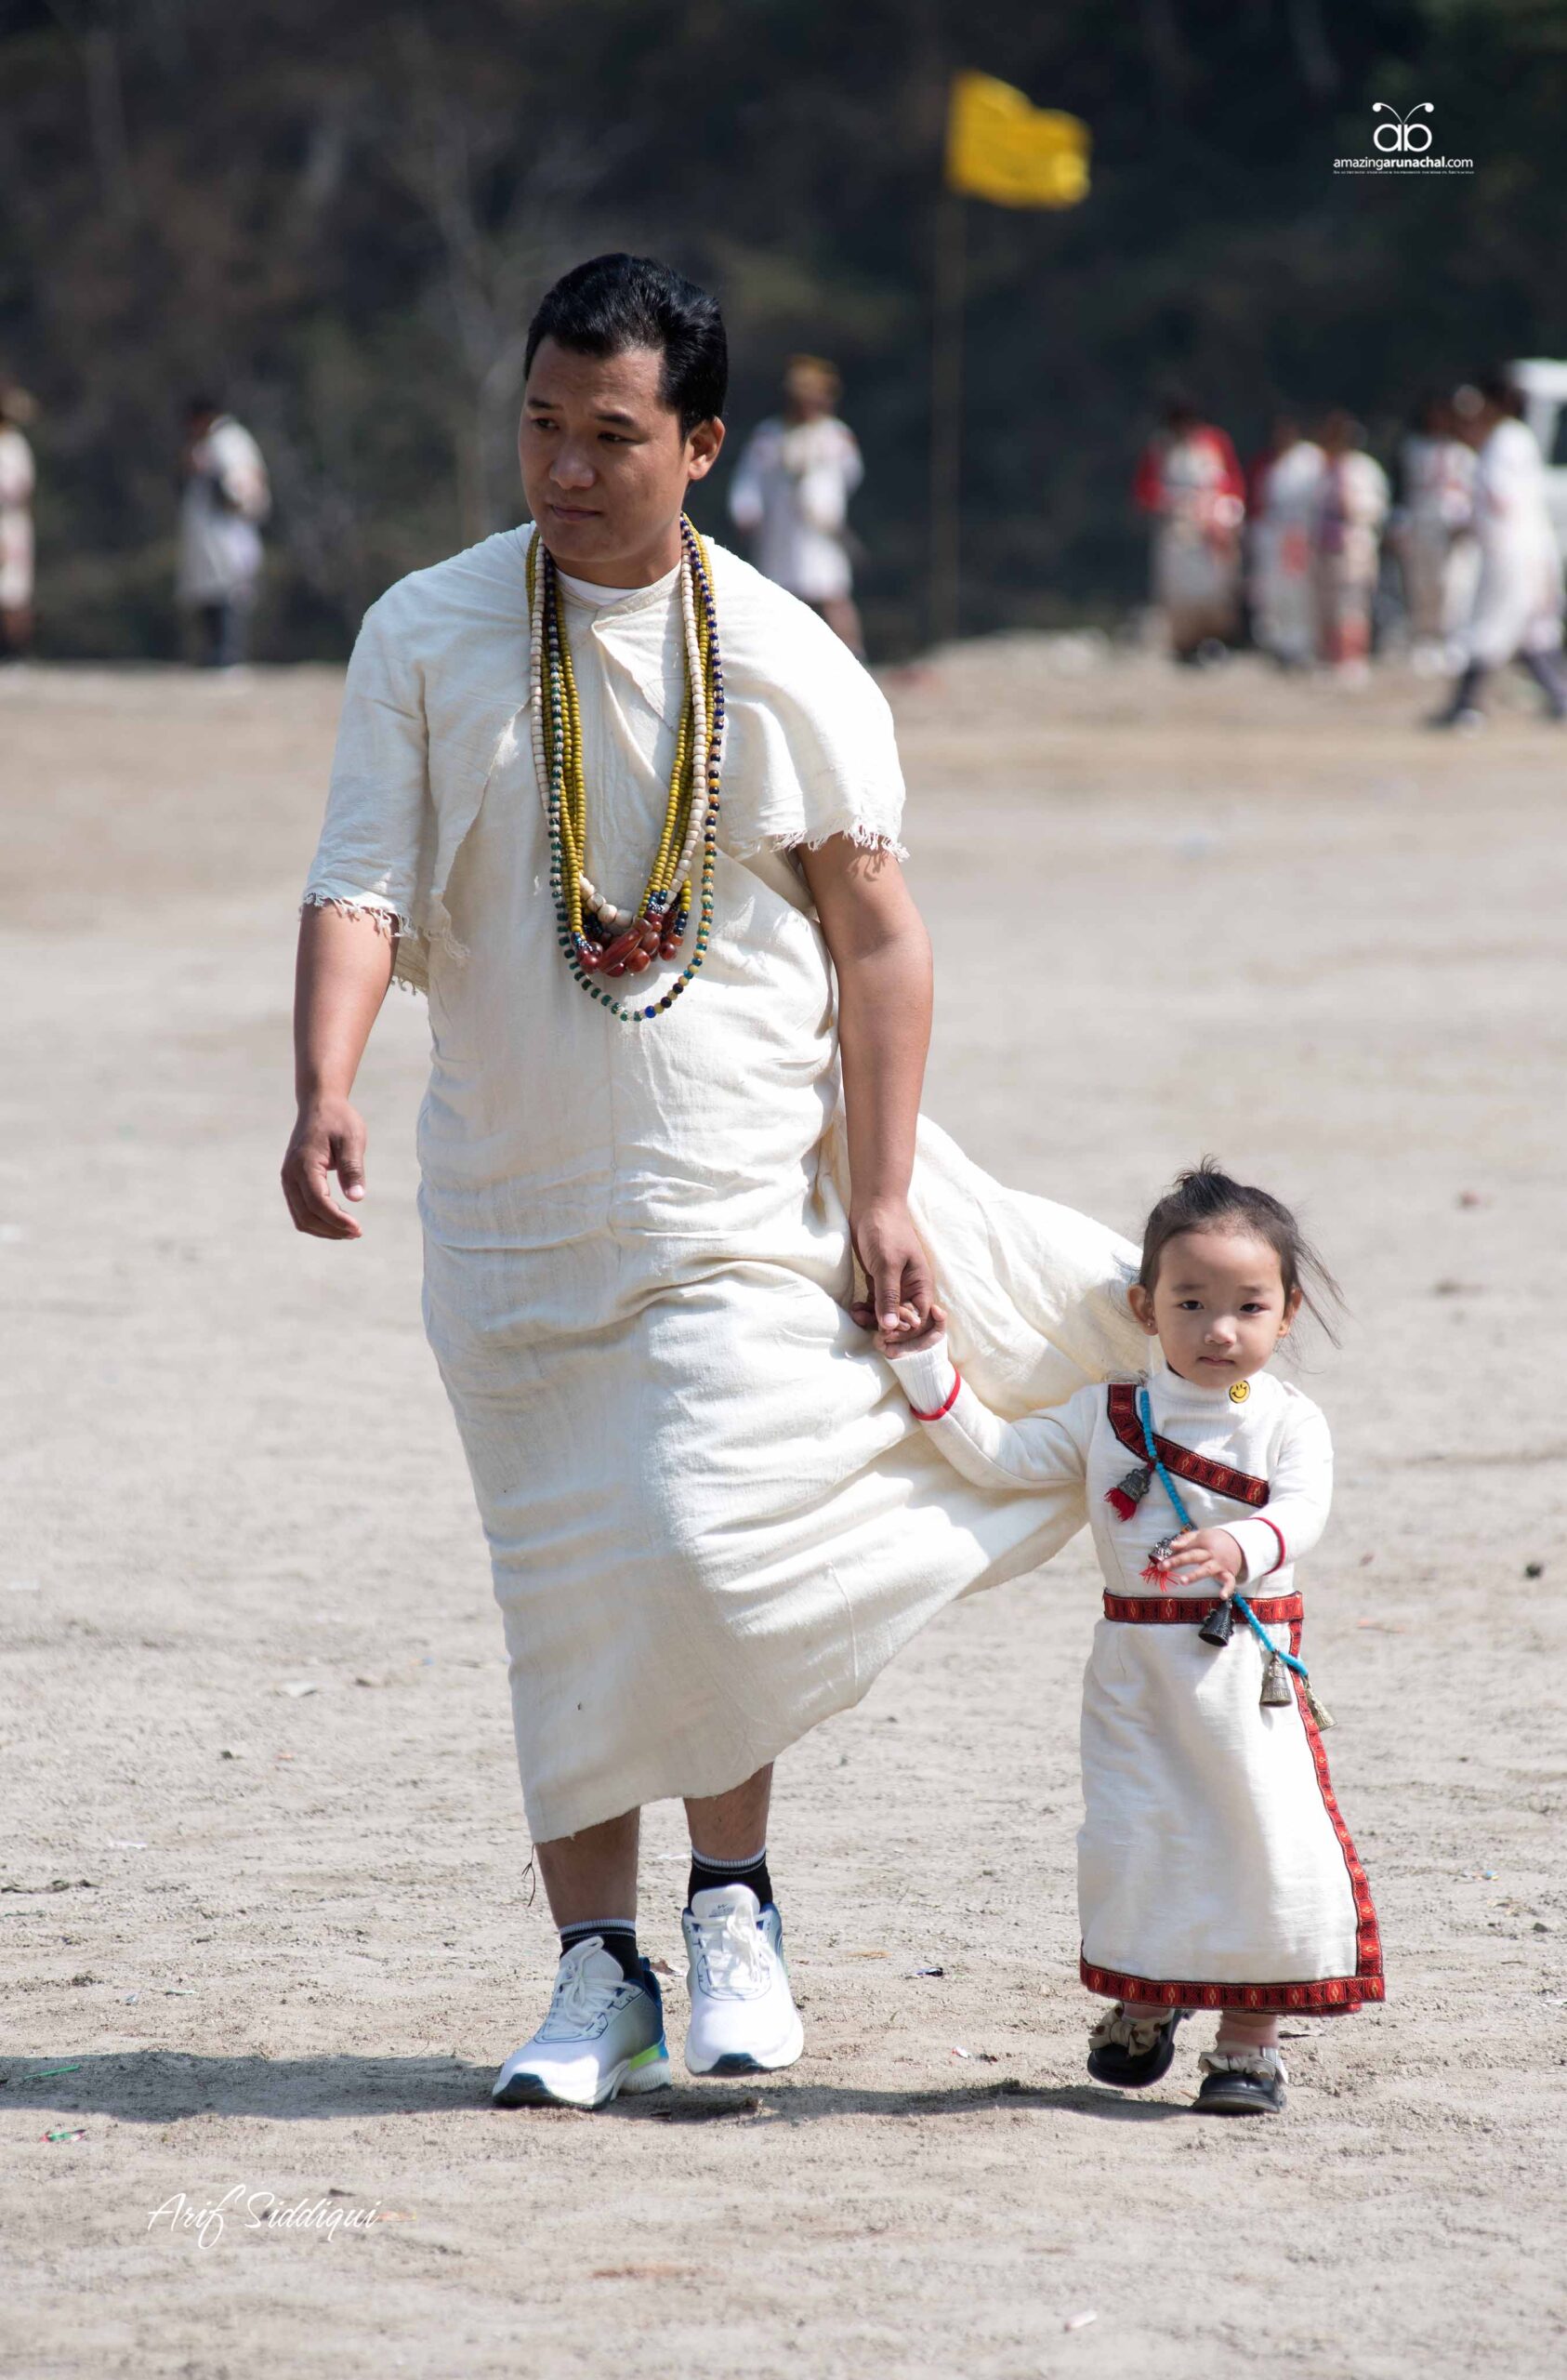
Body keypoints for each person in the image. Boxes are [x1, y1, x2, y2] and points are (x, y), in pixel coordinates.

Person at [285, 253, 1145, 2109]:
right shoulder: (428, 634)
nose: (564, 468)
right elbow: (358, 881)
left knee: (704, 1542)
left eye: (611, 436)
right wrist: (324, 1081)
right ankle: (600, 1971)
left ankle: (734, 1900)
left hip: (733, 1195)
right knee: (568, 1595)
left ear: (702, 447)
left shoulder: (784, 660)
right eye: (540, 425)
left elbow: (884, 944)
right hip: (508, 1213)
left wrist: (893, 1191)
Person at [880, 1162, 1382, 2117]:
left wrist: (1244, 1540)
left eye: (1248, 1304)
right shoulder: (1108, 1414)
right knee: (1136, 1832)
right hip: (1132, 1673)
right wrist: (925, 1363)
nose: (1220, 1329)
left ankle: (1248, 2045)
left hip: (1245, 1670)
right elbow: (999, 1454)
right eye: (1191, 1302)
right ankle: (1144, 2000)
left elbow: (1305, 1509)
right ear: (1144, 1307)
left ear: (1289, 1311)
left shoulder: (1287, 1421)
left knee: (1261, 1839)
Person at [1431, 372, 1567, 729]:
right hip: (1529, 547)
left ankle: (1465, 705)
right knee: (1528, 628)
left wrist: (1467, 526)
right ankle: (1559, 696)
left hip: (1509, 549)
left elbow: (1498, 500)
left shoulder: (1503, 441)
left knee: (1491, 622)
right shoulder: (1517, 439)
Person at [727, 354, 865, 653]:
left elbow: (851, 474)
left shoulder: (836, 435)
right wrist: (747, 510)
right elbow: (750, 478)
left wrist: (827, 503)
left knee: (833, 594)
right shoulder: (770, 435)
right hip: (781, 530)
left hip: (821, 529)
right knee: (779, 597)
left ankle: (855, 659)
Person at [1133, 398, 1245, 665]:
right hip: (1177, 530)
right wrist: (1170, 502)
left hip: (1211, 528)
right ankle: (1184, 644)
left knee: (1217, 586)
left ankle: (1217, 640)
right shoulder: (1161, 448)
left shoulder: (1215, 443)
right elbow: (1144, 490)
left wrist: (1225, 516)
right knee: (1178, 588)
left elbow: (1232, 483)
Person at [177, 396, 270, 668]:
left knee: (229, 594)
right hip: (212, 535)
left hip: (227, 533)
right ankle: (214, 654)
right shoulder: (212, 443)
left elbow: (242, 487)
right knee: (208, 594)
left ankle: (227, 655)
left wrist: (230, 500)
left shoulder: (228, 441)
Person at [1393, 392, 1477, 674]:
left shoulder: (1463, 454)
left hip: (1452, 526)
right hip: (1422, 523)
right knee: (1421, 583)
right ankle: (1424, 640)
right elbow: (1403, 492)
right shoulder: (1413, 448)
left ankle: (1450, 639)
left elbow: (1471, 492)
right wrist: (1400, 524)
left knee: (1453, 584)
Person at [1312, 410, 1389, 684]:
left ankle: (1353, 659)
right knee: (1328, 603)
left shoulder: (1362, 469)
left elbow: (1373, 509)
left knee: (1352, 604)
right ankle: (1332, 657)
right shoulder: (1325, 469)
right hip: (1327, 547)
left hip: (1353, 545)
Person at [1247, 413, 1323, 669]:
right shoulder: (1270, 464)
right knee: (1274, 591)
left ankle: (1302, 644)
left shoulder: (1310, 460)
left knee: (1300, 592)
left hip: (1301, 535)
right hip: (1274, 536)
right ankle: (1278, 644)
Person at [0, 382, 36, 660]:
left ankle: (17, 654)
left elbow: (22, 487)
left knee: (14, 591)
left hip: (11, 524)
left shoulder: (15, 445)